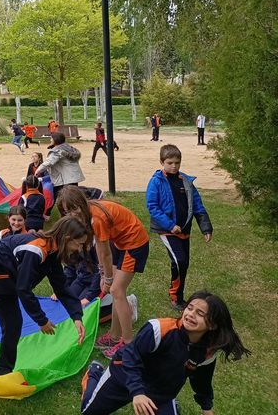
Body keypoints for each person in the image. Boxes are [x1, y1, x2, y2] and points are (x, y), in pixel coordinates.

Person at [0, 216, 90, 376]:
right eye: (79, 244)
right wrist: (41, 320)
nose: (79, 249)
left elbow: (62, 287)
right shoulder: (37, 249)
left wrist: (76, 316)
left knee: (13, 324)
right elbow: (24, 289)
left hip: (6, 282)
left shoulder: (52, 252)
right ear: (66, 239)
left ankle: (2, 371)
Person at [81, 291, 250, 415]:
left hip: (159, 393)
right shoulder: (158, 329)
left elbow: (202, 380)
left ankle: (170, 405)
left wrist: (207, 408)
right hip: (123, 377)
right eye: (190, 308)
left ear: (212, 325)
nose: (190, 314)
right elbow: (130, 357)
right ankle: (95, 373)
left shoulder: (208, 351)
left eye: (200, 314)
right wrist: (138, 392)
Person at [57, 186, 150, 357]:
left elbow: (105, 252)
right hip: (121, 243)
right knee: (116, 290)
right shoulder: (87, 215)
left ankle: (128, 345)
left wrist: (107, 278)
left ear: (82, 202)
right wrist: (103, 274)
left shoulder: (96, 218)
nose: (72, 214)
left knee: (116, 290)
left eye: (74, 208)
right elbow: (101, 250)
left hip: (134, 243)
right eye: (67, 211)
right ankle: (114, 337)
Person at [146, 144, 212, 310]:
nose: (174, 166)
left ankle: (179, 295)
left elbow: (197, 204)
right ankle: (175, 297)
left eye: (177, 162)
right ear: (162, 162)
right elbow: (153, 206)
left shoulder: (186, 181)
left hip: (184, 230)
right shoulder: (156, 181)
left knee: (184, 263)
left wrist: (206, 227)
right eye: (170, 162)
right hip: (167, 231)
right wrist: (170, 225)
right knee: (179, 260)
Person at [35, 131, 85, 203]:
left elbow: (49, 162)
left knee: (62, 200)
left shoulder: (58, 151)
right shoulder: (68, 148)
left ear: (56, 140)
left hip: (65, 180)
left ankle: (65, 213)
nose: (50, 140)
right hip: (72, 178)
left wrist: (37, 171)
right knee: (72, 199)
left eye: (51, 138)